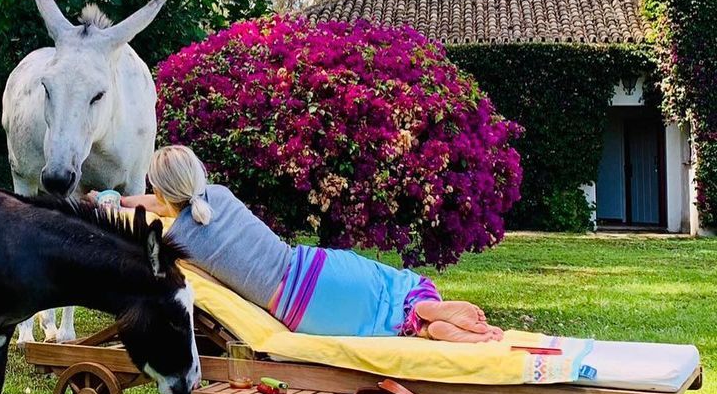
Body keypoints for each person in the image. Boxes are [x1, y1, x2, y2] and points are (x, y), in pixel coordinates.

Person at [102, 145, 503, 344]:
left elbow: (162, 212)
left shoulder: (176, 241)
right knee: (390, 289)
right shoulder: (219, 196)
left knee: (388, 326)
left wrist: (115, 204)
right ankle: (425, 307)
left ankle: (430, 326)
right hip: (315, 268)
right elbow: (178, 203)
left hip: (299, 309)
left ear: (161, 190)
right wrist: (129, 198)